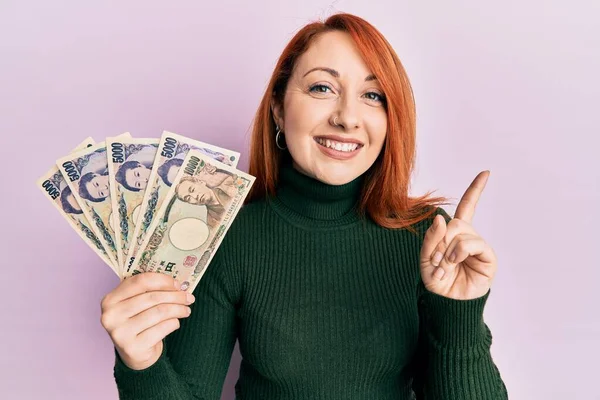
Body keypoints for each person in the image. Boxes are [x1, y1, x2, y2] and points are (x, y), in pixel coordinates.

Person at [102, 13, 508, 399]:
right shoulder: (227, 235)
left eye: (372, 95)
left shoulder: (429, 238)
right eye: (322, 88)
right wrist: (142, 362)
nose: (348, 118)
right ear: (278, 107)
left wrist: (460, 313)